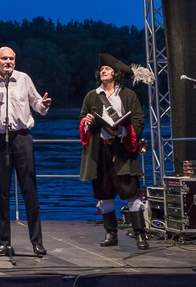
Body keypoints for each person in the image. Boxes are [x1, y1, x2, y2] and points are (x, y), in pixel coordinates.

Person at [0, 47, 51, 257]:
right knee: (2, 192)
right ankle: (4, 242)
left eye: (12, 58)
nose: (8, 61)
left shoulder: (23, 78)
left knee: (29, 190)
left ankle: (37, 241)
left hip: (22, 137)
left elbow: (36, 104)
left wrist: (43, 104)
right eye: (4, 58)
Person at [79, 54, 152, 250]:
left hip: (121, 148)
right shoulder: (92, 95)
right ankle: (111, 234)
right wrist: (87, 121)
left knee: (131, 191)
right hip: (100, 149)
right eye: (102, 69)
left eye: (108, 69)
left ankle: (140, 234)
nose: (103, 71)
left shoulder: (128, 95)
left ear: (116, 74)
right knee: (104, 193)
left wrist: (122, 131)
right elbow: (82, 119)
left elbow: (138, 119)